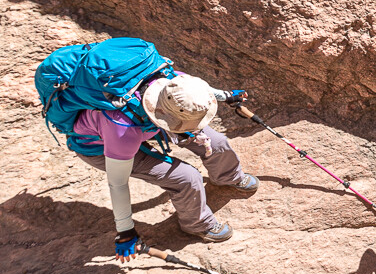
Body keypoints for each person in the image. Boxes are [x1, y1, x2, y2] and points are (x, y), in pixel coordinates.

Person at [73, 73, 258, 262]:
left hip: (149, 118)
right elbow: (117, 184)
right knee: (186, 177)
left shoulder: (168, 81)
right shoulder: (121, 127)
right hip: (101, 146)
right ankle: (197, 224)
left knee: (216, 143)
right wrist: (125, 230)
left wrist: (225, 95)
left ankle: (228, 176)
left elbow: (199, 93)